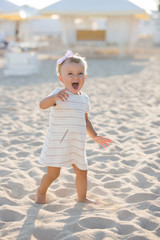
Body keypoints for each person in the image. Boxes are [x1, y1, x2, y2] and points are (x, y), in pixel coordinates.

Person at [35, 50, 112, 204]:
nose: (75, 77)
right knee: (53, 173)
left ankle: (82, 198)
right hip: (58, 141)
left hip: (76, 141)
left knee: (82, 171)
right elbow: (42, 105)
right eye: (70, 74)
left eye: (80, 73)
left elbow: (85, 120)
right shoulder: (59, 93)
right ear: (61, 78)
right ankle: (41, 192)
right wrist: (53, 98)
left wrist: (94, 135)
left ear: (85, 77)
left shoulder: (84, 99)